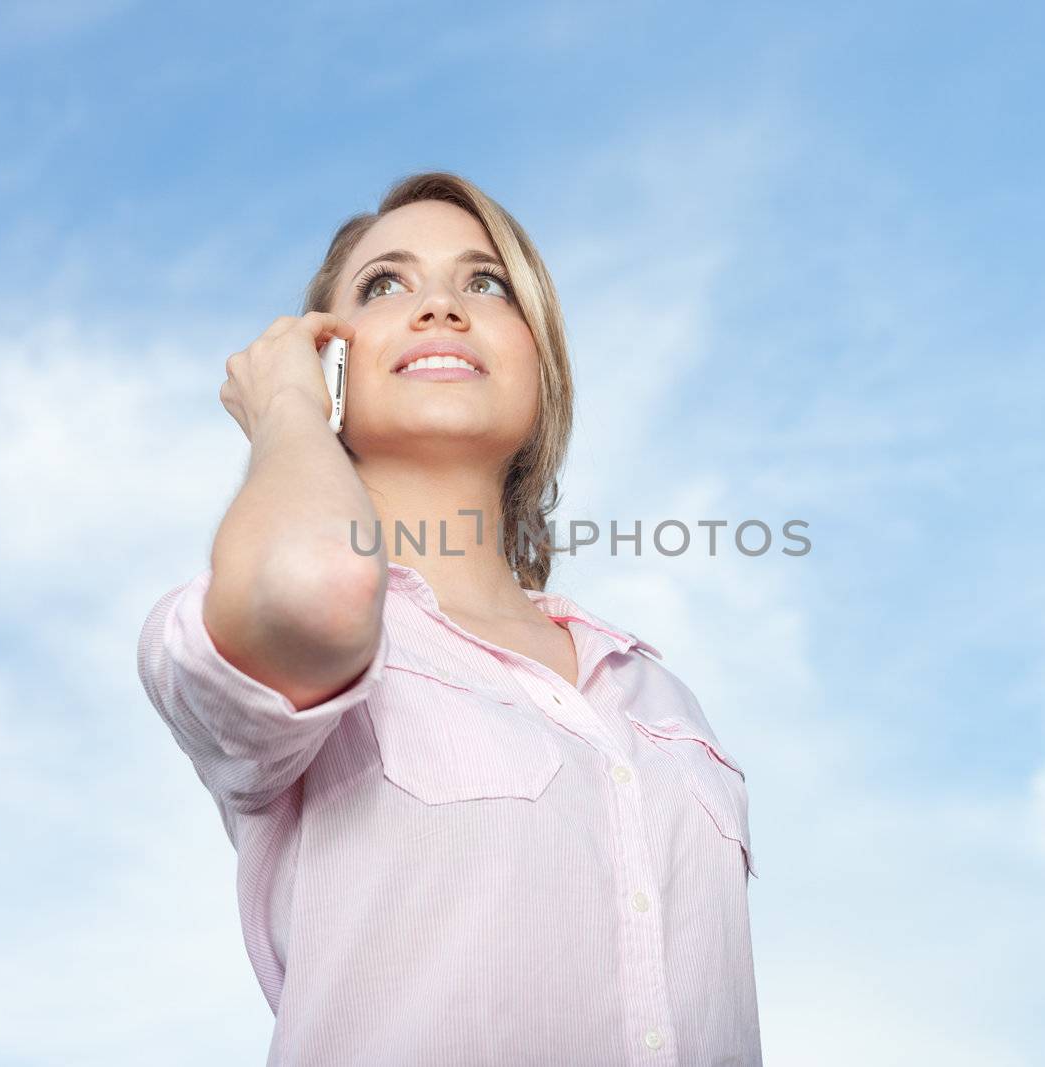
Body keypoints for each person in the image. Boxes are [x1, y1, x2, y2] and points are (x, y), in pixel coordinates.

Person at [136, 171, 761, 1066]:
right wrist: (285, 409)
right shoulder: (248, 615)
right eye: (385, 284)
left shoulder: (659, 698)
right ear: (329, 365)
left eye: (486, 283)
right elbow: (314, 586)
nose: (440, 307)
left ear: (539, 364)